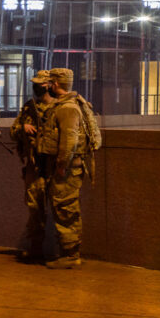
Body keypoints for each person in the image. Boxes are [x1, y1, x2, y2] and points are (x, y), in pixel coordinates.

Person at [39, 67, 99, 269]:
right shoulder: (69, 105)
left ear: (55, 84)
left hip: (67, 169)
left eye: (50, 83)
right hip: (67, 167)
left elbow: (69, 142)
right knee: (63, 207)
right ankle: (67, 252)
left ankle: (71, 255)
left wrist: (61, 166)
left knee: (65, 208)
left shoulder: (67, 108)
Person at [9, 69, 53, 262]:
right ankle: (36, 248)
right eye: (35, 83)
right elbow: (13, 131)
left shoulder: (60, 107)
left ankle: (66, 252)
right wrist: (23, 128)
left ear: (50, 85)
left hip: (54, 165)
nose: (37, 87)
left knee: (62, 209)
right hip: (34, 166)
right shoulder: (29, 107)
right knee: (35, 208)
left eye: (41, 84)